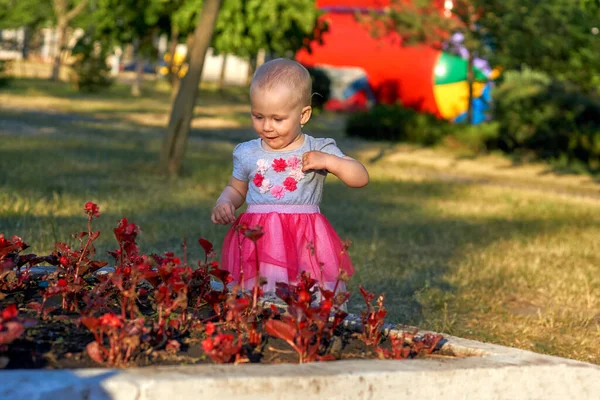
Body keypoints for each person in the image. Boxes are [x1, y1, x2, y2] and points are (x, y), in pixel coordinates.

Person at [211, 58, 369, 295]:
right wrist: (225, 201)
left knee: (306, 295)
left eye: (277, 119)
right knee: (258, 294)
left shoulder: (319, 148)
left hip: (303, 242)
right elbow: (237, 189)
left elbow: (360, 177)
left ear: (303, 115)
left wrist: (331, 162)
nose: (267, 127)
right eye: (258, 116)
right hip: (258, 242)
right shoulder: (247, 152)